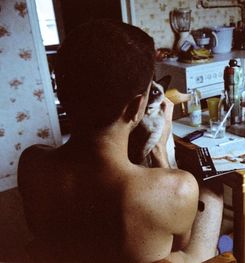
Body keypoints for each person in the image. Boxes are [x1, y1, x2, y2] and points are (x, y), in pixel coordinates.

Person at [18, 20, 223, 262]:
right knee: (212, 196)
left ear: (60, 92)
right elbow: (179, 244)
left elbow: (37, 230)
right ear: (137, 107)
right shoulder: (178, 188)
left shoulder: (31, 161)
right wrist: (159, 150)